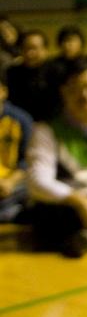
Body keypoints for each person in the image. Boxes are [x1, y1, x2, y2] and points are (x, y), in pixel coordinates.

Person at [26, 65, 87, 257]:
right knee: (49, 218)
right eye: (77, 88)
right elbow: (37, 181)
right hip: (69, 204)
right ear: (63, 91)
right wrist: (80, 201)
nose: (85, 95)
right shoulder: (45, 130)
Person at [0, 71, 33, 223]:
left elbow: (27, 162)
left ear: (3, 91)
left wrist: (9, 182)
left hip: (13, 183)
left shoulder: (21, 120)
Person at [7, 30, 59, 122]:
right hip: (19, 123)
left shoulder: (56, 72)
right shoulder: (12, 73)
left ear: (45, 50)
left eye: (34, 48)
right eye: (25, 48)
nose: (30, 53)